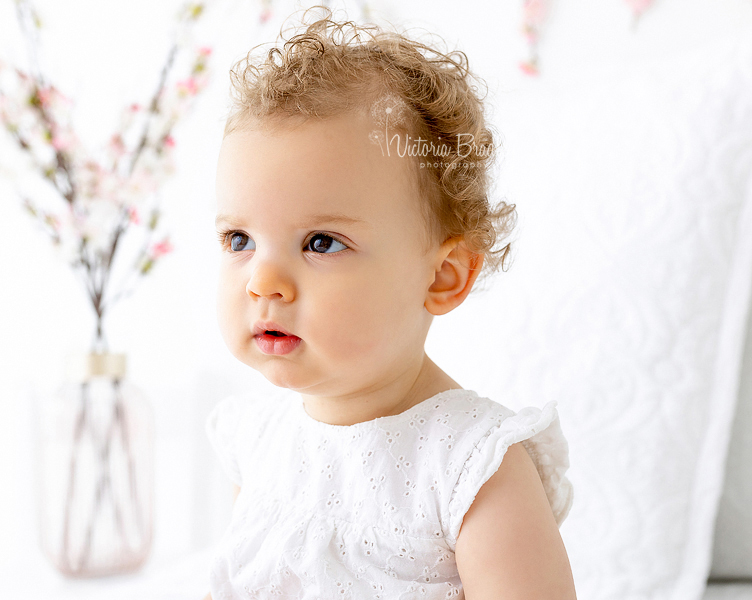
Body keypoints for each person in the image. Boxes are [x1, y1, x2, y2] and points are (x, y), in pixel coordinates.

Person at [203, 7, 575, 599]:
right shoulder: (260, 446)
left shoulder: (471, 467)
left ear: (442, 277)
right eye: (239, 240)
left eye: (320, 242)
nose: (262, 282)